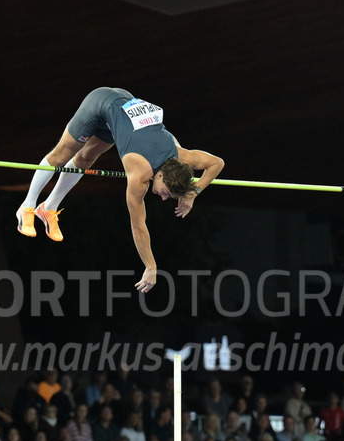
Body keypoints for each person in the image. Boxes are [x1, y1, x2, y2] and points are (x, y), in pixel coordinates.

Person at [16, 87, 224, 292]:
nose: (162, 198)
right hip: (100, 103)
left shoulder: (183, 156)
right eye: (166, 193)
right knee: (61, 156)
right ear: (159, 175)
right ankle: (27, 206)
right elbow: (138, 226)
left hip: (118, 115)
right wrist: (151, 266)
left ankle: (48, 208)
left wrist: (193, 193)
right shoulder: (140, 175)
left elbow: (217, 163)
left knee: (85, 160)